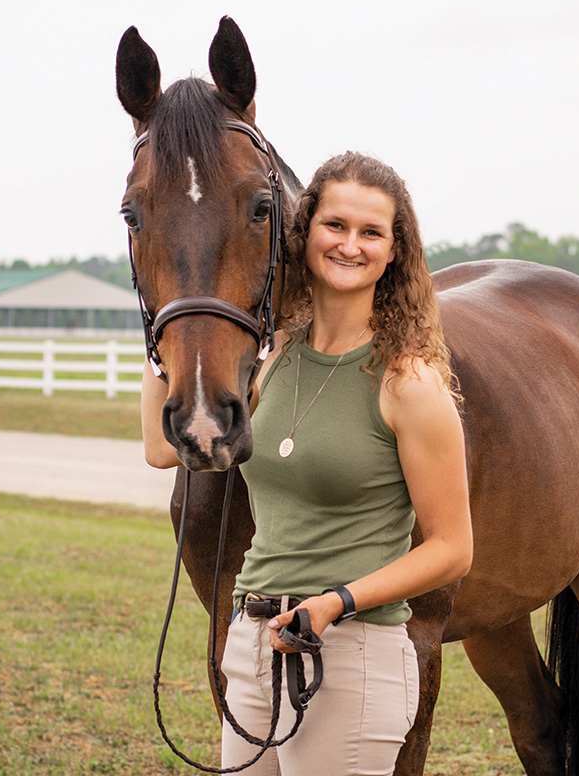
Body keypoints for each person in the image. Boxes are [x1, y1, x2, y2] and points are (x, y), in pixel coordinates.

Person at [142, 152, 472, 775]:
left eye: (371, 232)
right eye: (335, 225)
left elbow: (452, 549)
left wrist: (336, 602)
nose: (350, 245)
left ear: (394, 251)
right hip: (253, 643)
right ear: (304, 232)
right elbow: (163, 450)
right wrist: (173, 317)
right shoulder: (273, 358)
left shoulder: (409, 382)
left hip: (348, 652)